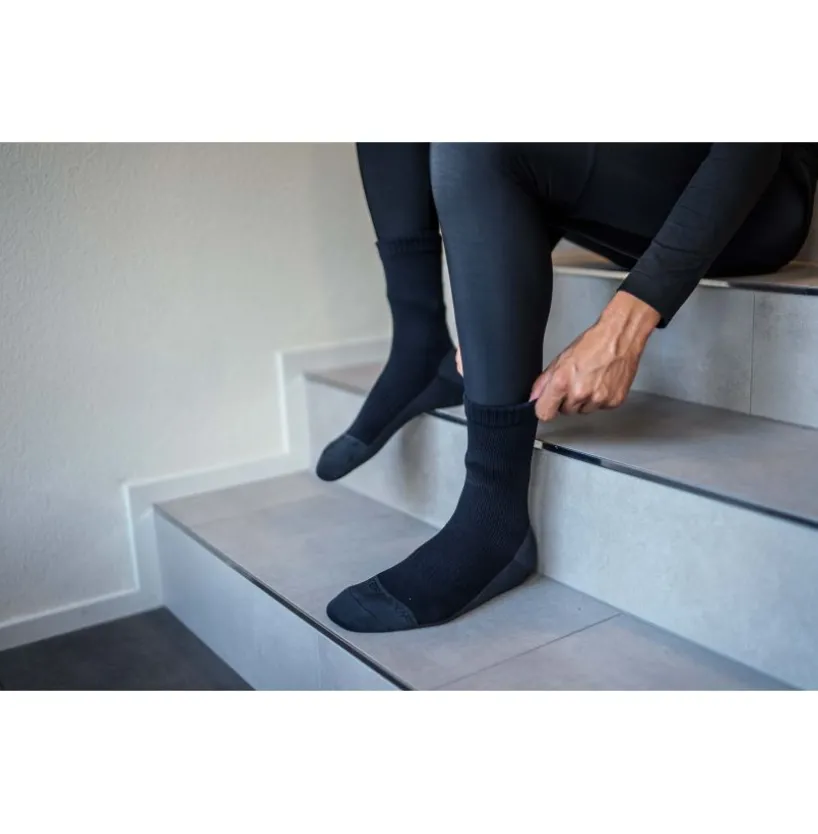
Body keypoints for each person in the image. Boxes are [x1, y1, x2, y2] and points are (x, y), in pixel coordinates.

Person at [321, 143, 818, 634]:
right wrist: (488, 301)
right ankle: (418, 342)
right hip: (647, 182)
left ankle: (492, 519)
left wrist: (623, 329)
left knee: (476, 140)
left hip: (757, 201)